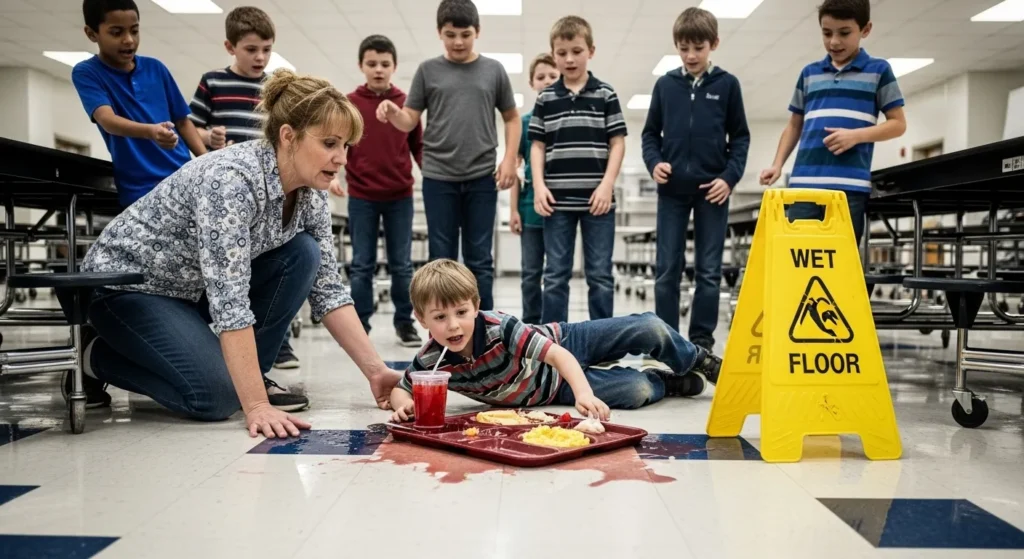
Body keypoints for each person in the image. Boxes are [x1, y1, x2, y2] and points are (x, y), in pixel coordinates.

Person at [77, 69, 404, 438]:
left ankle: (244, 376)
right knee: (216, 399)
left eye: (346, 146)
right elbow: (230, 299)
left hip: (190, 292)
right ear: (288, 136)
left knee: (303, 254)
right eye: (330, 143)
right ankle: (92, 357)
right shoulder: (231, 180)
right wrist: (256, 406)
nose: (341, 158)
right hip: (128, 289)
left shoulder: (312, 192)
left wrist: (377, 372)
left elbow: (327, 289)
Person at [388, 260, 722, 424]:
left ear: (476, 306)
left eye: (461, 312)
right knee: (637, 390)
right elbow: (402, 386)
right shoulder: (433, 359)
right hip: (548, 390)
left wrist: (584, 393)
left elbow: (559, 356)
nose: (453, 325)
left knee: (649, 326)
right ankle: (666, 382)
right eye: (440, 318)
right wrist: (403, 403)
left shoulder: (498, 327)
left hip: (565, 343)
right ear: (421, 320)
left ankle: (696, 359)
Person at [376, 0, 520, 312]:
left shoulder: (494, 70)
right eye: (450, 34)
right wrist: (392, 111)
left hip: (482, 177)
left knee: (480, 257)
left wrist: (508, 160)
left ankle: (486, 328)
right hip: (438, 177)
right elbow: (409, 120)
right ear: (439, 33)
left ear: (477, 32)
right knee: (441, 259)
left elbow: (512, 118)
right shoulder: (428, 71)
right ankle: (442, 328)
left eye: (465, 34)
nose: (457, 41)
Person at [186, 6, 302, 372]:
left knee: (274, 264)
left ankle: (277, 343)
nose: (260, 57)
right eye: (251, 49)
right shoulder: (213, 83)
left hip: (271, 192)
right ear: (230, 46)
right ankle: (225, 338)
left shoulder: (275, 89)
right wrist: (209, 136)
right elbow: (192, 128)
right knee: (233, 270)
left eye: (266, 49)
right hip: (229, 190)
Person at [641, 7, 750, 350]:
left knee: (709, 269)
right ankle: (667, 339)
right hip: (671, 192)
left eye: (698, 48)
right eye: (683, 47)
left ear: (713, 44)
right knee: (667, 268)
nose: (690, 55)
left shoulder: (728, 85)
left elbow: (741, 138)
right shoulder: (665, 85)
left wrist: (729, 178)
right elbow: (649, 136)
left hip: (713, 192)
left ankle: (701, 340)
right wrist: (655, 163)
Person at [760, 0, 907, 244]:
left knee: (839, 261)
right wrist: (777, 165)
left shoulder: (879, 71)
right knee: (799, 258)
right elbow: (794, 125)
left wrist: (856, 136)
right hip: (804, 186)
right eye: (827, 33)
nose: (834, 42)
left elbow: (898, 124)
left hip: (848, 189)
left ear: (865, 29)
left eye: (844, 33)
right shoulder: (809, 73)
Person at [529, 16, 627, 324]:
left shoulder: (605, 94)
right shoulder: (546, 98)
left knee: (599, 275)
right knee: (555, 275)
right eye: (561, 52)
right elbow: (537, 146)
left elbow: (618, 143)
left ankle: (603, 341)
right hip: (556, 203)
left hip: (598, 201)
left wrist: (607, 184)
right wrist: (539, 186)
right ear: (553, 54)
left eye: (576, 50)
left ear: (591, 51)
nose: (569, 59)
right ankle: (553, 342)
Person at [331, 35, 425, 347]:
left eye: (385, 64)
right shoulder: (350, 103)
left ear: (394, 67)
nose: (379, 69)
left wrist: (434, 177)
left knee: (401, 264)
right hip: (362, 196)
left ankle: (404, 323)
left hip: (399, 196)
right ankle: (360, 326)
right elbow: (338, 143)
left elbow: (418, 147)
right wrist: (332, 175)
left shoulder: (406, 103)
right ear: (361, 66)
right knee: (362, 265)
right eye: (372, 64)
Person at [72, 0, 207, 209]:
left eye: (134, 31)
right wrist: (151, 132)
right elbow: (107, 120)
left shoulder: (156, 68)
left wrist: (208, 162)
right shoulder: (87, 73)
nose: (129, 40)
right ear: (92, 34)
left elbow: (182, 122)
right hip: (140, 191)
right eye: (116, 32)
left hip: (183, 177)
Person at [509, 53, 559, 324]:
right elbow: (516, 170)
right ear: (532, 83)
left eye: (553, 76)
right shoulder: (525, 123)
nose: (547, 82)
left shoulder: (565, 122)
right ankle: (531, 324)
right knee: (530, 273)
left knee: (555, 275)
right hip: (530, 211)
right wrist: (514, 209)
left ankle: (552, 325)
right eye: (541, 77)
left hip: (560, 211)